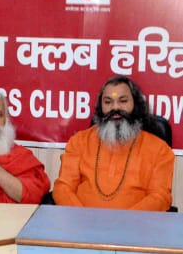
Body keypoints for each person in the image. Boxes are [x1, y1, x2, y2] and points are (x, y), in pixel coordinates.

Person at [52, 75, 174, 211]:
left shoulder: (160, 150)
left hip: (135, 223)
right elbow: (63, 188)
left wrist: (125, 221)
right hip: (81, 221)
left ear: (136, 105)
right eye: (108, 102)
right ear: (100, 107)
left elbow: (160, 197)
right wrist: (82, 217)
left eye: (123, 101)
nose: (115, 107)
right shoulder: (79, 142)